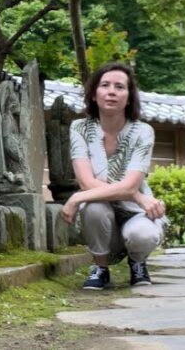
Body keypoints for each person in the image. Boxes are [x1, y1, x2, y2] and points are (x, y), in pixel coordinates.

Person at [61, 62, 166, 289]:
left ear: (128, 98)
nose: (111, 91)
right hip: (109, 208)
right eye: (105, 85)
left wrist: (75, 198)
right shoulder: (79, 128)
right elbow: (86, 182)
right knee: (94, 208)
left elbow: (130, 184)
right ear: (94, 94)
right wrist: (139, 196)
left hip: (136, 214)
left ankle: (138, 263)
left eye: (119, 87)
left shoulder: (142, 132)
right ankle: (100, 268)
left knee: (143, 235)